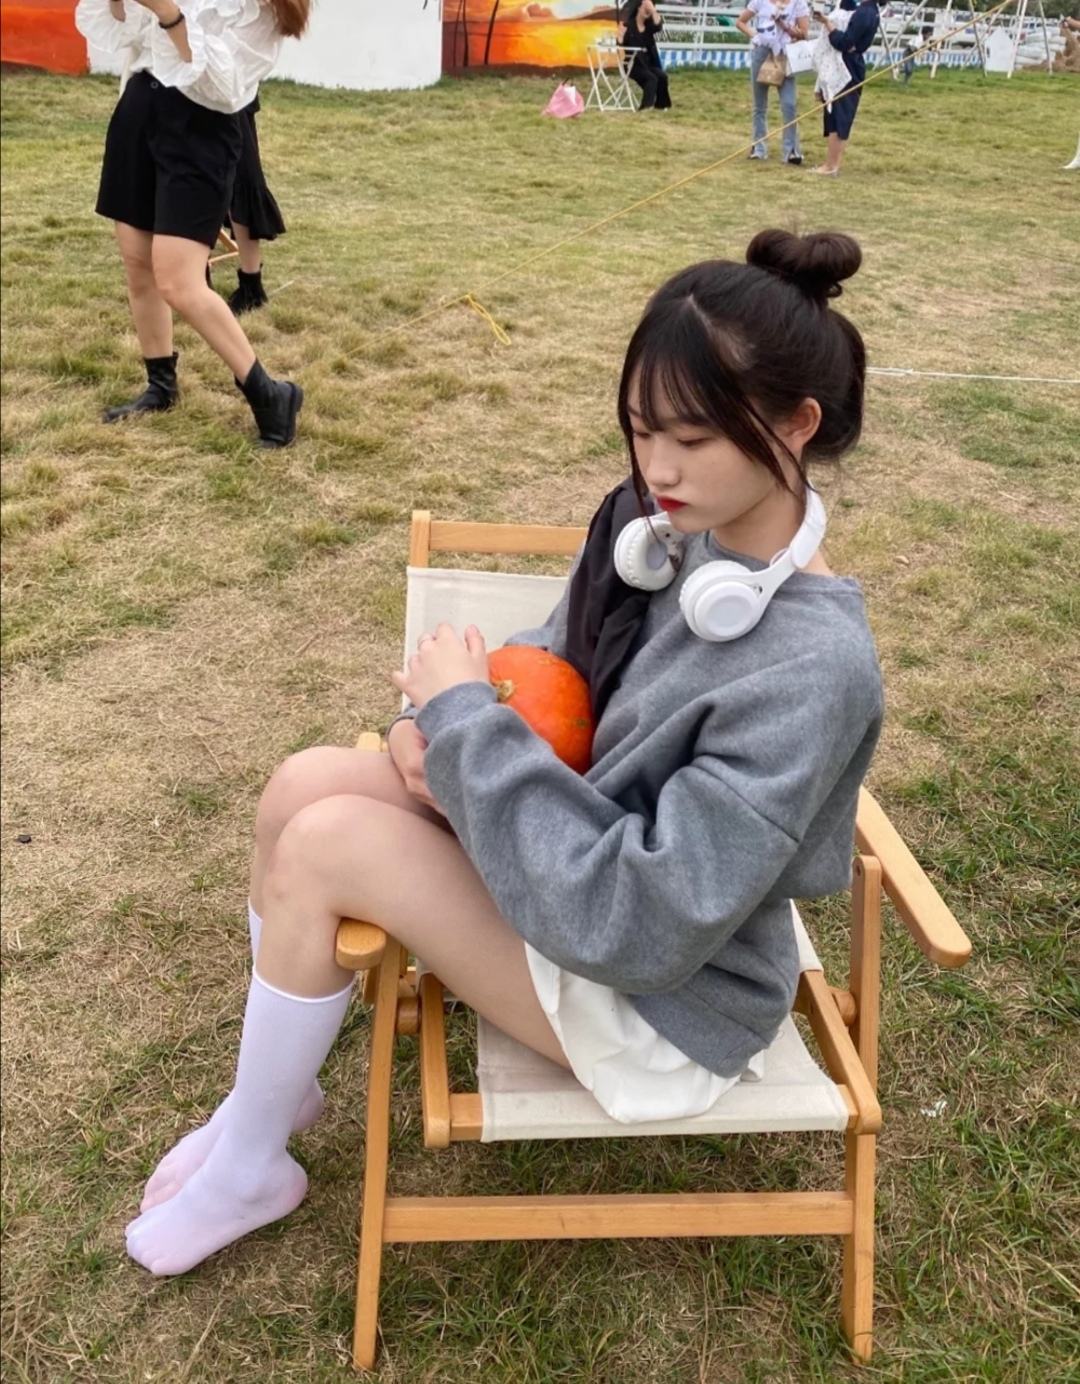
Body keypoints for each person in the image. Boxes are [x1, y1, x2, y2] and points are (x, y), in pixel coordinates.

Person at [123, 228, 884, 1278]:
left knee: (331, 840)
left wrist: (468, 731)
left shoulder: (812, 668)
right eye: (640, 430)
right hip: (568, 851)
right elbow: (551, 661)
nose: (657, 468)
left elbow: (644, 923)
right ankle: (271, 1101)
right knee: (303, 784)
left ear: (797, 425)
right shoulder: (665, 531)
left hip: (663, 992)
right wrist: (431, 732)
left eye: (692, 438)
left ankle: (250, 1165)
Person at [74, 0, 307, 447]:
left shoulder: (265, 9)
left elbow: (227, 87)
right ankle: (160, 385)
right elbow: (127, 30)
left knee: (179, 281)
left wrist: (169, 14)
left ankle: (271, 395)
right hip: (140, 111)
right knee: (138, 264)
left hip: (202, 131)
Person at [225, 93, 286, 315]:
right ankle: (198, 276)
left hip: (231, 95)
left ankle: (251, 286)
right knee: (192, 185)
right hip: (180, 95)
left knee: (242, 181)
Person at [809, 0, 883, 177]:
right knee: (836, 114)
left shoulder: (865, 12)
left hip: (848, 67)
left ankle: (831, 166)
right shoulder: (869, 10)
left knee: (840, 115)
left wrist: (828, 23)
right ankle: (831, 163)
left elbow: (845, 42)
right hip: (852, 63)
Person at [736, 0, 811, 164]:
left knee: (789, 104)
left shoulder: (799, 3)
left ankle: (791, 151)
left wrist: (784, 25)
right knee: (759, 104)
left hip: (785, 53)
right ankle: (759, 148)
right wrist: (754, 35)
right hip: (762, 51)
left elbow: (804, 33)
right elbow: (740, 22)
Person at [618, 0, 671, 110]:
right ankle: (646, 107)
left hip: (647, 64)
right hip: (633, 65)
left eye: (649, 8)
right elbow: (620, 44)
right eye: (645, 7)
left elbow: (658, 26)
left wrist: (653, 10)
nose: (647, 10)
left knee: (662, 76)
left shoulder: (649, 27)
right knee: (651, 78)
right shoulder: (629, 26)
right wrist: (620, 37)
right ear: (638, 8)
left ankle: (661, 105)